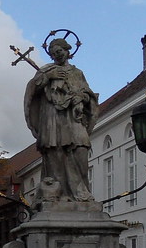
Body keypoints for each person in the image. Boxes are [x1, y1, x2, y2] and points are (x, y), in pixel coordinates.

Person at [23, 36, 98, 203]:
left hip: (73, 118)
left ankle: (82, 193)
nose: (57, 55)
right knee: (55, 151)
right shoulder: (46, 71)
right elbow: (32, 91)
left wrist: (81, 98)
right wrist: (49, 77)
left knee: (81, 150)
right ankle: (59, 194)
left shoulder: (77, 73)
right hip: (52, 118)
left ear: (67, 51)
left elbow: (89, 94)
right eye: (53, 53)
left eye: (60, 51)